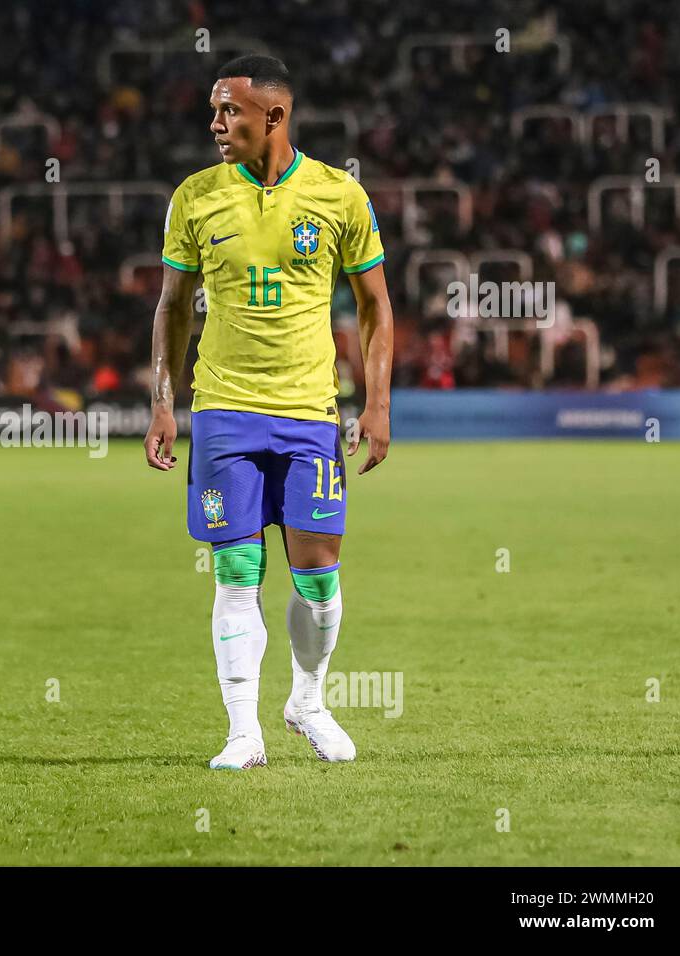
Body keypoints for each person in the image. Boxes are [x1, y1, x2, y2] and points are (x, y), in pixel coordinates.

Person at [144, 55, 393, 769]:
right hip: (223, 410)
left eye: (231, 113)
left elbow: (377, 306)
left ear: (274, 118)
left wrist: (376, 404)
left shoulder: (339, 195)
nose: (216, 125)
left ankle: (307, 702)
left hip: (310, 413)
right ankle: (241, 730)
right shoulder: (194, 197)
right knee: (236, 572)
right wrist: (164, 402)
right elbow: (169, 310)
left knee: (318, 582)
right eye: (215, 112)